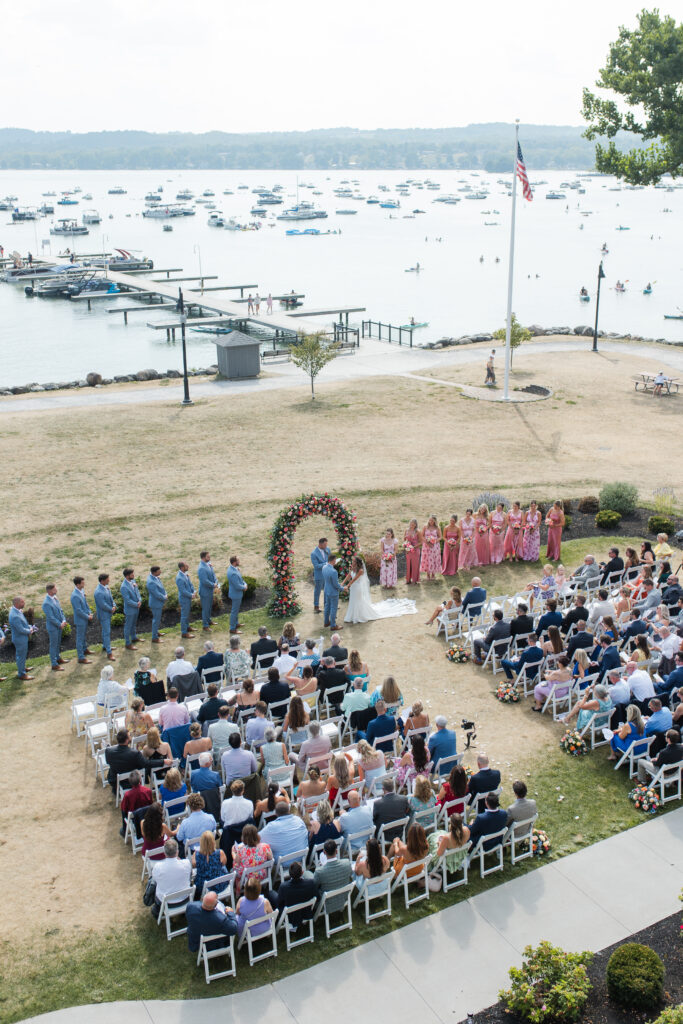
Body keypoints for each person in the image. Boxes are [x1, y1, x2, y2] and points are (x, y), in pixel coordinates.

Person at [150, 839, 192, 918]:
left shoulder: (158, 867)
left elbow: (155, 880)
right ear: (177, 852)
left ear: (164, 853)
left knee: (153, 884)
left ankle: (157, 909)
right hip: (185, 899)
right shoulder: (186, 863)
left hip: (167, 903)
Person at [232, 824, 273, 895]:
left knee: (235, 868)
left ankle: (237, 891)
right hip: (262, 874)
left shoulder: (241, 850)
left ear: (244, 837)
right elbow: (271, 858)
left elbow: (237, 862)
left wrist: (233, 853)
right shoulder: (265, 846)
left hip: (248, 878)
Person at [277, 861, 319, 928]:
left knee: (271, 894)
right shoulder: (310, 883)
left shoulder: (283, 887)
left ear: (289, 874)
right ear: (302, 873)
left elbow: (279, 904)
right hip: (306, 913)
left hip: (291, 917)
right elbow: (317, 897)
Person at [313, 839, 353, 910]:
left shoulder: (319, 871)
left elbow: (314, 886)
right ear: (336, 851)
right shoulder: (347, 863)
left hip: (327, 902)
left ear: (324, 852)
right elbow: (350, 874)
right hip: (343, 897)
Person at [428, 813, 470, 877]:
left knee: (432, 837)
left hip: (448, 858)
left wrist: (439, 842)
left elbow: (439, 853)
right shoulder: (467, 830)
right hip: (460, 854)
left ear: (451, 823)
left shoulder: (447, 838)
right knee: (441, 833)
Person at [42, 583, 68, 670]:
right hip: (53, 628)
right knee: (53, 645)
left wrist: (63, 620)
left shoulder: (55, 598)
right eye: (54, 589)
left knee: (58, 643)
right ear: (49, 591)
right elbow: (51, 617)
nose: (56, 590)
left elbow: (60, 610)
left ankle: (58, 658)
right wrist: (59, 624)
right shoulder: (46, 603)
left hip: (59, 626)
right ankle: (54, 664)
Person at [9, 596, 35, 680]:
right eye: (22, 602)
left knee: (22, 655)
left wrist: (29, 627)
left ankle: (23, 668)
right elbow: (20, 629)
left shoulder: (17, 611)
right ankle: (22, 674)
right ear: (17, 604)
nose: (24, 603)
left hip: (21, 638)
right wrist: (30, 630)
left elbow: (23, 624)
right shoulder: (14, 615)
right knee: (21, 656)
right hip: (20, 639)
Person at [70, 576, 93, 664]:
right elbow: (78, 610)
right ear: (77, 584)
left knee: (83, 636)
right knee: (80, 638)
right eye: (82, 583)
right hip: (80, 620)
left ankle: (85, 649)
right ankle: (81, 657)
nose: (84, 584)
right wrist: (87, 617)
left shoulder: (81, 591)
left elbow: (85, 603)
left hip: (85, 618)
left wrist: (90, 612)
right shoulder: (75, 596)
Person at [197, 550, 219, 631]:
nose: (209, 557)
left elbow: (213, 574)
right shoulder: (201, 568)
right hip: (205, 592)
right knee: (205, 609)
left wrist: (216, 581)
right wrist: (213, 585)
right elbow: (204, 581)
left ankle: (209, 621)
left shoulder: (208, 564)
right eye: (208, 556)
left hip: (210, 590)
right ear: (203, 557)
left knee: (209, 607)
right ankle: (205, 626)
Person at [120, 568, 141, 650]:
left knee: (133, 624)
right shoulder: (123, 587)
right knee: (128, 626)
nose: (133, 575)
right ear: (127, 576)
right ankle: (127, 643)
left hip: (136, 607)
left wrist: (140, 600)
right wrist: (136, 604)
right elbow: (127, 600)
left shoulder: (133, 581)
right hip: (130, 610)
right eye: (132, 574)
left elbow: (137, 592)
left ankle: (134, 637)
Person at [226, 555, 248, 634]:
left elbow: (240, 580)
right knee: (234, 611)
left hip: (236, 593)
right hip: (236, 594)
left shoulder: (234, 569)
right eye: (238, 560)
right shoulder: (233, 573)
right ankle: (232, 628)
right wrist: (244, 587)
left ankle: (236, 623)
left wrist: (245, 584)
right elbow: (237, 585)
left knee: (236, 610)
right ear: (234, 562)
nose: (239, 561)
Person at [175, 561, 197, 639]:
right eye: (186, 565)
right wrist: (191, 595)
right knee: (184, 616)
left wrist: (193, 591)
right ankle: (184, 633)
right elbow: (182, 591)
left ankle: (187, 627)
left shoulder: (185, 574)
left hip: (188, 597)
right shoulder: (179, 578)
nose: (188, 566)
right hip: (184, 599)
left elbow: (190, 584)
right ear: (182, 568)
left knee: (187, 614)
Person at [146, 566, 167, 643]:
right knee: (156, 620)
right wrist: (164, 597)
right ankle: (154, 637)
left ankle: (156, 632)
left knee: (157, 619)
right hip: (155, 603)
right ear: (154, 572)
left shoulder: (155, 577)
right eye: (159, 571)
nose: (160, 572)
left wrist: (165, 594)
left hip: (158, 602)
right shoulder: (151, 582)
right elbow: (156, 593)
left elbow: (161, 588)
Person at [322, 556, 343, 629]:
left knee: (327, 606)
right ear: (333, 561)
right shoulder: (334, 571)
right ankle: (333, 625)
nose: (336, 562)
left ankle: (326, 622)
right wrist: (342, 588)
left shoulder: (324, 567)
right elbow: (336, 584)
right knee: (333, 608)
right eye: (335, 560)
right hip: (333, 592)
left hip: (326, 590)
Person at [311, 537, 331, 612]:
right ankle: (316, 606)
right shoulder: (314, 553)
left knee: (327, 590)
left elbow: (330, 559)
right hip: (319, 575)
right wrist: (326, 563)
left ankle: (327, 605)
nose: (326, 546)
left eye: (326, 544)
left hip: (327, 573)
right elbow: (316, 566)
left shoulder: (327, 549)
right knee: (318, 591)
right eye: (325, 545)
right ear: (320, 544)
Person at [420, 515, 442, 580]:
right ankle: (428, 574)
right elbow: (422, 536)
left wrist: (434, 541)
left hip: (435, 546)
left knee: (434, 559)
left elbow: (440, 537)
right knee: (427, 559)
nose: (431, 521)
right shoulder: (425, 527)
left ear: (435, 521)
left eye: (432, 520)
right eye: (430, 520)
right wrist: (427, 542)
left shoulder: (437, 528)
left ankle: (433, 574)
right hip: (426, 546)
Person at [404, 519, 423, 584]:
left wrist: (413, 547)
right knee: (408, 564)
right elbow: (404, 539)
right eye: (411, 523)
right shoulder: (406, 530)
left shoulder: (418, 531)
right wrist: (406, 545)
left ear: (415, 525)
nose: (412, 525)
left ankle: (414, 580)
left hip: (415, 550)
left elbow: (421, 542)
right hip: (408, 550)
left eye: (413, 524)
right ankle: (408, 580)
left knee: (415, 565)